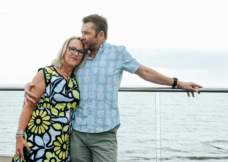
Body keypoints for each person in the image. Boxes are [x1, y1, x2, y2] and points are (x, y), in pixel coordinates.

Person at [23, 14, 203, 162]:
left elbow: (145, 72)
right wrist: (30, 84)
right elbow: (57, 70)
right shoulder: (80, 55)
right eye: (81, 32)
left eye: (86, 33)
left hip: (104, 132)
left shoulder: (118, 53)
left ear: (100, 35)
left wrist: (177, 83)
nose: (82, 37)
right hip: (77, 132)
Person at [12, 36, 87, 162]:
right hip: (37, 138)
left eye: (80, 51)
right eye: (72, 49)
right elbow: (28, 106)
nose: (76, 54)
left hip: (62, 144)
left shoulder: (77, 79)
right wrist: (19, 137)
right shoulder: (46, 73)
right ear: (64, 50)